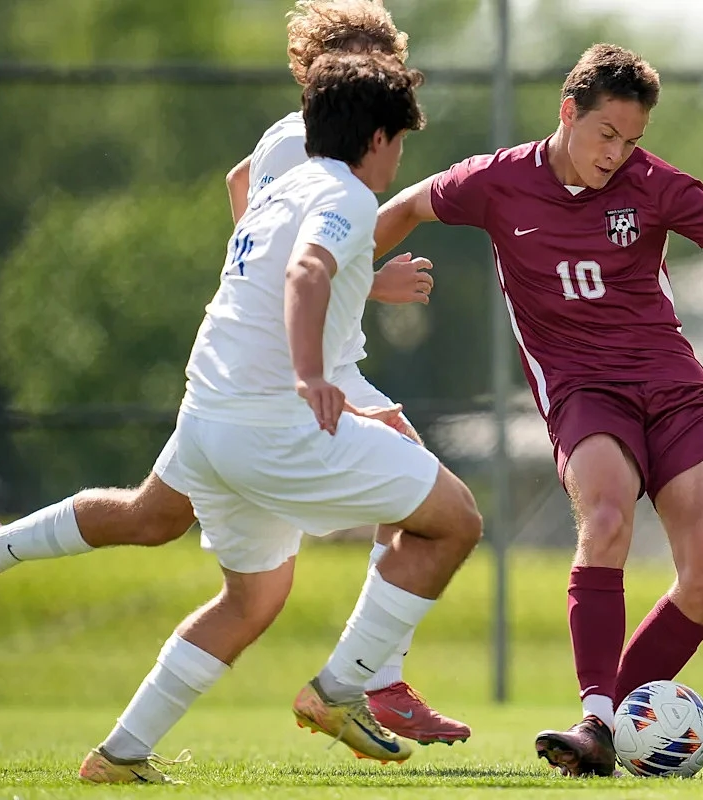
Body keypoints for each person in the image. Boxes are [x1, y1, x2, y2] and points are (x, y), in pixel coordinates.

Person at [0, 0, 470, 747]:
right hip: (288, 376)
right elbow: (304, 262)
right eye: (362, 63)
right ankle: (375, 678)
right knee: (431, 498)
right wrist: (353, 306)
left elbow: (250, 202)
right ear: (322, 73)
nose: (378, 75)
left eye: (383, 62)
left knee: (159, 523)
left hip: (232, 378)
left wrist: (328, 284)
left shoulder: (290, 143)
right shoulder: (318, 157)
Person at [373, 42, 703, 777]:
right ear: (568, 112)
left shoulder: (654, 185)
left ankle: (605, 728)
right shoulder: (497, 182)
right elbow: (403, 207)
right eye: (606, 134)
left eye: (631, 140)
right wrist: (351, 278)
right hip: (583, 393)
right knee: (607, 516)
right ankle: (597, 715)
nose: (616, 154)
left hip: (673, 390)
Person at [74, 51, 481, 784]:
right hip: (274, 429)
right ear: (379, 139)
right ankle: (343, 688)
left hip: (207, 425)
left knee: (250, 600)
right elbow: (307, 270)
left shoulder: (280, 185)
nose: (398, 157)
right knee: (454, 520)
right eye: (399, 141)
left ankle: (120, 755)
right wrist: (310, 375)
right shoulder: (347, 194)